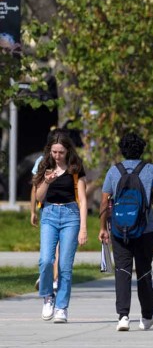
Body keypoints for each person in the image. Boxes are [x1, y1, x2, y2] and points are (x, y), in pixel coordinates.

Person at [99, 131, 153, 332]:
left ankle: (123, 316)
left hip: (119, 229)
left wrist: (103, 227)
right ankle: (147, 316)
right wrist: (144, 205)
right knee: (144, 271)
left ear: (122, 150)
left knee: (122, 271)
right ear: (142, 149)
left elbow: (104, 201)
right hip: (145, 229)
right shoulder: (151, 170)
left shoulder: (113, 171)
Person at [32, 132, 88, 323]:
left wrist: (83, 228)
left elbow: (82, 199)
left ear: (68, 151)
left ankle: (62, 307)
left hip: (71, 216)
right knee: (46, 260)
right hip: (49, 214)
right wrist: (47, 181)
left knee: (65, 265)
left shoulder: (75, 168)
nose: (57, 156)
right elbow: (39, 197)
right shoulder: (45, 166)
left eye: (61, 152)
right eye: (54, 152)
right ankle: (48, 296)